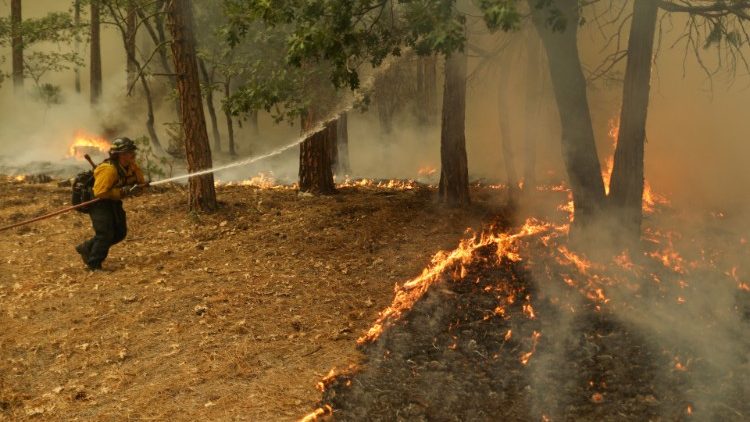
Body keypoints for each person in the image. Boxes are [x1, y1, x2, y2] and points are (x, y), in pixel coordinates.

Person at [75, 137, 148, 270]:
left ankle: (86, 247)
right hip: (98, 202)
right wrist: (122, 192)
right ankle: (94, 264)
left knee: (120, 232)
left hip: (112, 201)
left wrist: (138, 189)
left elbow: (139, 184)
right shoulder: (109, 170)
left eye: (132, 151)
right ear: (118, 155)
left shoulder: (132, 167)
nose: (132, 155)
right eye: (128, 152)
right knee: (105, 234)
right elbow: (100, 192)